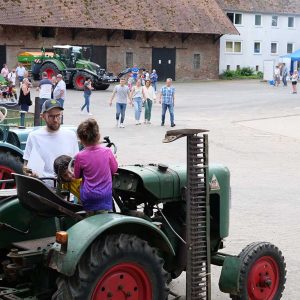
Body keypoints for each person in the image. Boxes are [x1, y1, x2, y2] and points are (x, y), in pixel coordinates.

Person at [23, 99, 79, 178]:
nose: (55, 120)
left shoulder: (71, 135)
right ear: (43, 116)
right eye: (51, 116)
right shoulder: (34, 136)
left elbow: (76, 163)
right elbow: (26, 166)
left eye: (58, 116)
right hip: (42, 184)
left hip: (66, 186)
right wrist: (29, 173)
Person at [74, 118, 118, 214]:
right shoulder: (107, 152)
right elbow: (114, 169)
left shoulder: (79, 156)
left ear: (81, 140)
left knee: (90, 223)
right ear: (98, 135)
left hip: (88, 196)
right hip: (104, 196)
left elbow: (77, 176)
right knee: (104, 223)